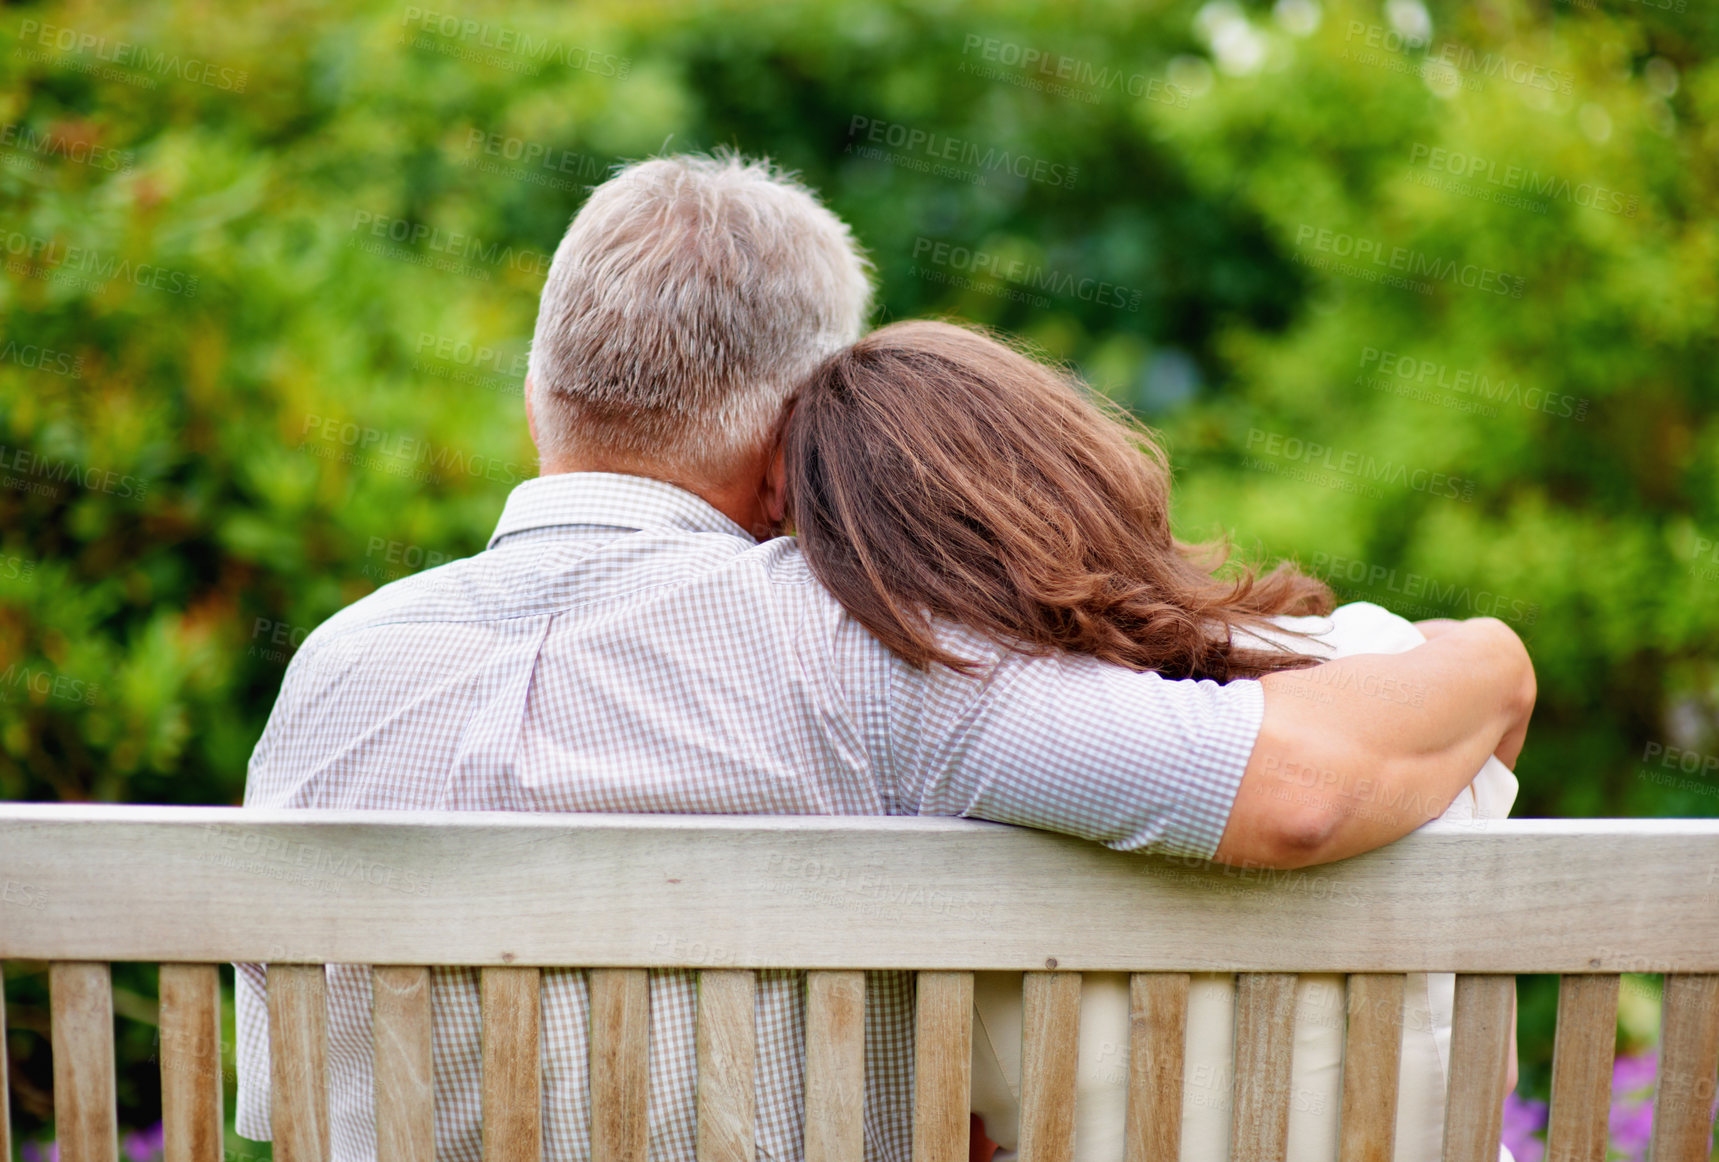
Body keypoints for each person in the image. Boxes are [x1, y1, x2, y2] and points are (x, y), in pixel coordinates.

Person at [234, 152, 1535, 1162]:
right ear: (798, 438)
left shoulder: (334, 671)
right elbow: (1299, 790)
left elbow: (284, 1104)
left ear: (541, 387)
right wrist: (1490, 661)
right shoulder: (855, 645)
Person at [780, 320, 1524, 1162]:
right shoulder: (1392, 660)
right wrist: (1494, 651)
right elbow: (1483, 1075)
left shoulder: (931, 780)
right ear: (1074, 464)